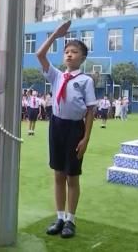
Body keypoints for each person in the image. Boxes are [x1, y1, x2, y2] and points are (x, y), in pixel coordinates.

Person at [36, 20, 97, 239]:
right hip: (57, 125)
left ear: (83, 57)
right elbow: (40, 54)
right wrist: (55, 34)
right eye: (67, 51)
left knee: (72, 176)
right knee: (58, 174)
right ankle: (60, 216)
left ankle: (71, 219)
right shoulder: (56, 76)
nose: (69, 55)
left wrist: (86, 139)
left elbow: (90, 111)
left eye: (75, 52)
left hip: (75, 129)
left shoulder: (85, 80)